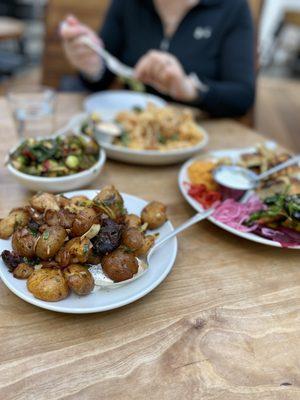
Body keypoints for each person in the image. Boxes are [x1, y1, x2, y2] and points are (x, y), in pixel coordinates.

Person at [60, 0, 256, 117]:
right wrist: (92, 65)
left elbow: (242, 96)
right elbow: (103, 77)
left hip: (198, 139)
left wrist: (191, 89)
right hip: (126, 131)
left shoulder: (232, 7)